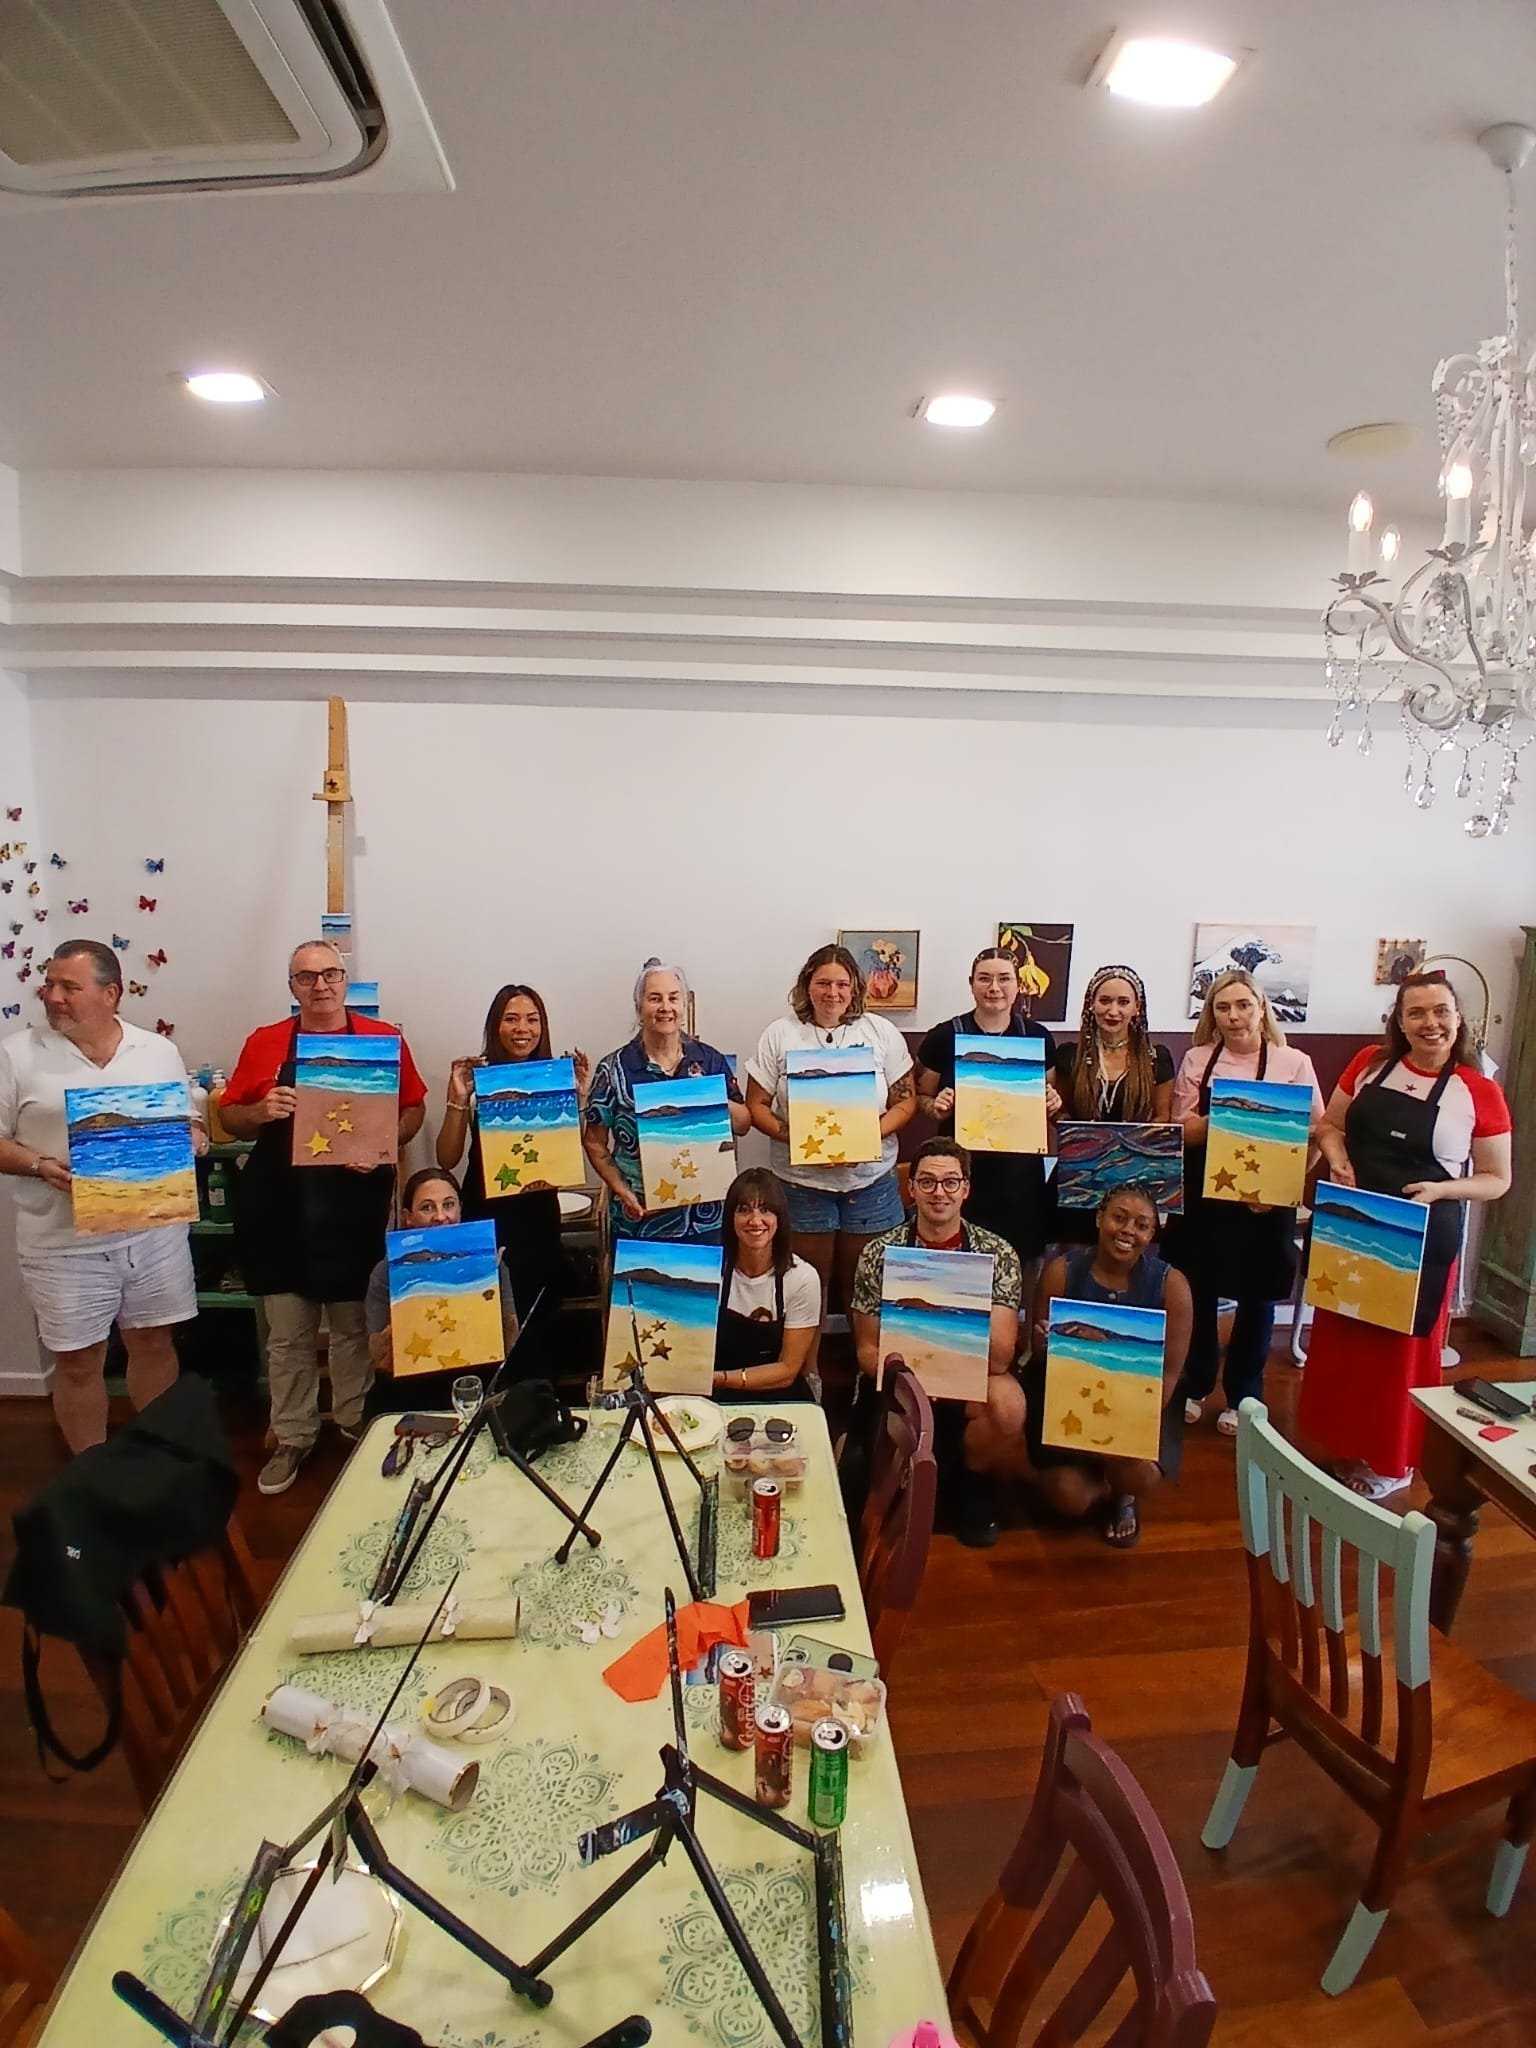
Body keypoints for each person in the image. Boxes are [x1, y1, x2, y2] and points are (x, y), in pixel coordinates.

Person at [221, 939, 427, 1495]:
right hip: (280, 1211)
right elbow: (231, 1119)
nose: (321, 986)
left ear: (345, 980)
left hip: (353, 1210)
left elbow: (413, 1109)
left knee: (352, 1328)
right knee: (287, 1336)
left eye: (330, 974)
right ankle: (293, 1435)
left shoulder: (383, 1040)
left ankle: (356, 1423)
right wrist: (259, 1110)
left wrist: (384, 1141)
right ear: (292, 986)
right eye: (307, 977)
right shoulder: (264, 1043)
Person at [1299, 972, 1511, 1500]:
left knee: (1399, 1356)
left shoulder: (1478, 1091)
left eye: (1440, 1011)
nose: (1429, 1023)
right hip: (1354, 1224)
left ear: (1458, 1019)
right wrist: (1337, 1158)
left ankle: (1393, 1461)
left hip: (1419, 1238)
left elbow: (1497, 1179)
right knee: (1347, 1343)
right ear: (1399, 1021)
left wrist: (1443, 1190)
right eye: (1415, 1013)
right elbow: (1330, 1127)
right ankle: (1345, 1441)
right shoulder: (1370, 1064)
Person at [0, 940, 206, 1451]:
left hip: (154, 1233)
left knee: (154, 1342)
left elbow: (187, 1118)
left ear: (110, 994)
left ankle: (160, 1458)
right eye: (50, 985)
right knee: (77, 1362)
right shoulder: (16, 1053)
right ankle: (92, 1474)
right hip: (62, 1243)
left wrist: (195, 1135)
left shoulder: (156, 1050)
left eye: (69, 987)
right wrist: (39, 1165)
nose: (54, 997)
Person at [1164, 968, 1323, 1439]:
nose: (1233, 1016)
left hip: (1267, 1203)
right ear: (1211, 1014)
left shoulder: (1294, 1063)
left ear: (1261, 1008)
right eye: (1223, 1007)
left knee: (1258, 1298)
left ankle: (1244, 1396)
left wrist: (1280, 1186)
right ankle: (1195, 1384)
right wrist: (1230, 1112)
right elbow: (1181, 1131)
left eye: (1242, 1006)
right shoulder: (1197, 1059)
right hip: (1204, 1194)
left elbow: (1315, 1133)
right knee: (1198, 1290)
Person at [849, 1136, 1025, 1548]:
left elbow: (1000, 1358)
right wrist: (914, 1379)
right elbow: (867, 1351)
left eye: (950, 1182)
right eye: (927, 1182)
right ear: (910, 1188)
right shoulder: (878, 1253)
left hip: (970, 1380)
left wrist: (947, 1355)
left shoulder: (998, 1254)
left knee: (1009, 1404)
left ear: (966, 1189)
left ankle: (973, 1482)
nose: (938, 1192)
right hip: (903, 1380)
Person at [746, 944, 917, 1362]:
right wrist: (798, 1138)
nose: (833, 993)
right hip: (801, 1184)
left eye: (842, 984)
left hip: (871, 1184)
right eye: (823, 983)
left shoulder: (880, 1032)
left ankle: (871, 1377)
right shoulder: (780, 1034)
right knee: (808, 1285)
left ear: (855, 987)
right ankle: (808, 1376)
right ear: (807, 984)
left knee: (869, 1286)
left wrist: (867, 1137)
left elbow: (906, 1100)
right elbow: (756, 1105)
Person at [1024, 1187, 1192, 1547]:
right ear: (1099, 1219)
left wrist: (1122, 1428)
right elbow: (1039, 1356)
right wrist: (1045, 1345)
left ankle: (1122, 1492)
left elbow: (1169, 1374)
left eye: (1142, 1225)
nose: (1128, 1230)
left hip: (1137, 1408)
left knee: (1140, 1475)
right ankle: (1101, 1483)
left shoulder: (1173, 1286)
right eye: (1119, 1217)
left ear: (1153, 1233)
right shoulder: (1061, 1272)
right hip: (1067, 1402)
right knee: (1068, 1499)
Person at [437, 983, 589, 1317]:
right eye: (511, 1019)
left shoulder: (554, 1078)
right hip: (486, 1216)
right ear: (495, 1026)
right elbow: (446, 1159)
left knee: (538, 1316)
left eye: (532, 1019)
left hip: (540, 1216)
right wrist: (458, 1098)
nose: (523, 1028)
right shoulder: (477, 1078)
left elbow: (571, 1152)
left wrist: (578, 1097)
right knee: (487, 1316)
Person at [914, 946, 1061, 1278]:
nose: (994, 987)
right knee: (960, 1268)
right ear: (971, 984)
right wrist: (936, 1106)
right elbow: (921, 1097)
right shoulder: (944, 1035)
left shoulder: (1037, 1036)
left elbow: (1050, 1099)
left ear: (1018, 985)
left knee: (1022, 1265)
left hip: (1020, 1178)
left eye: (1004, 979)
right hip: (961, 1175)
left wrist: (1053, 1102)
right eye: (984, 979)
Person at [583, 959, 748, 1243]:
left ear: (684, 1005)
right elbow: (594, 1141)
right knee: (644, 1274)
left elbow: (743, 1123)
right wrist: (622, 1191)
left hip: (705, 1218)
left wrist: (710, 1097)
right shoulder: (613, 1069)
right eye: (654, 998)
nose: (665, 1007)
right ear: (639, 1007)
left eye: (673, 998)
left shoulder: (709, 1060)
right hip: (638, 1216)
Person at [364, 1166, 519, 1403]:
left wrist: (487, 1287)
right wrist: (411, 1304)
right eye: (427, 1208)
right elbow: (380, 1359)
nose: (440, 1216)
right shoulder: (385, 1272)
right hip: (409, 1389)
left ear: (460, 1210)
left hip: (476, 1381)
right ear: (407, 1217)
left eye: (448, 1205)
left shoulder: (491, 1262)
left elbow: (509, 1344)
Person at [1050, 964, 1176, 1247]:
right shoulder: (1069, 1056)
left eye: (1123, 1002)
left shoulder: (1156, 1058)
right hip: (1080, 1175)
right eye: (1105, 1000)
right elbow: (1059, 1112)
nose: (1113, 1010)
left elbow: (1163, 1117)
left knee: (1125, 1255)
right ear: (1091, 1004)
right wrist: (1073, 1127)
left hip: (1134, 1175)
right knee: (1075, 1256)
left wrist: (1125, 1145)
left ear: (1137, 1008)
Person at [712, 1166, 822, 1400]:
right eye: (744, 1210)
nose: (755, 1221)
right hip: (715, 1392)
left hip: (778, 1392)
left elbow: (787, 1370)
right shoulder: (708, 1271)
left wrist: (722, 1379)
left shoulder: (803, 1278)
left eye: (765, 1210)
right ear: (730, 1218)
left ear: (779, 1219)